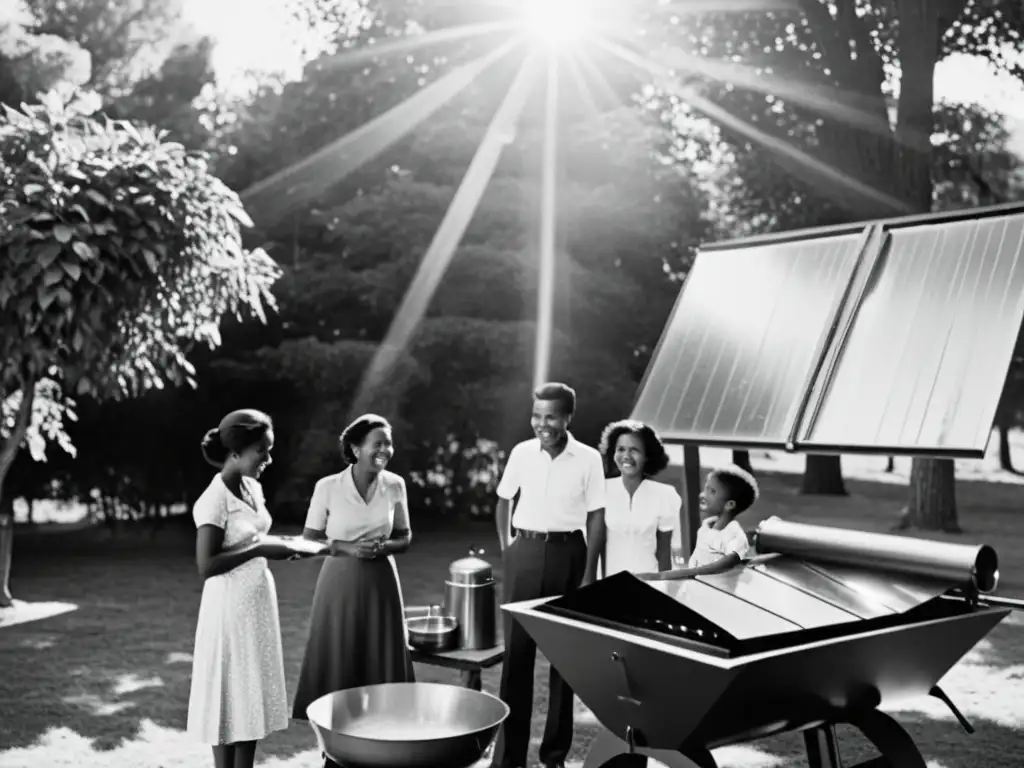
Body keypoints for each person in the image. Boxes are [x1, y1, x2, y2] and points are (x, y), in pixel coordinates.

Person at [492, 382, 606, 768]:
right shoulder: (522, 453)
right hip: (524, 553)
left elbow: (596, 516)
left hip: (569, 555)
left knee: (564, 661)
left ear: (568, 417)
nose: (543, 424)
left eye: (551, 416)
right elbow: (504, 499)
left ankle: (554, 756)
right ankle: (509, 758)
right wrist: (508, 549)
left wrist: (590, 574)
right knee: (517, 659)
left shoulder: (589, 458)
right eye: (537, 416)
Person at [187, 409, 295, 768]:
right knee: (230, 703)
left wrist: (285, 547)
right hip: (229, 611)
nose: (268, 458)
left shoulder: (252, 487)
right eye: (261, 451)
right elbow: (208, 565)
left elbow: (252, 538)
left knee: (249, 705)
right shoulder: (214, 500)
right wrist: (264, 549)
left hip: (256, 606)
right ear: (235, 453)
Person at [292, 413, 414, 721]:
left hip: (382, 582)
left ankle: (383, 731)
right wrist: (347, 548)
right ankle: (337, 739)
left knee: (380, 654)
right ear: (356, 448)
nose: (385, 450)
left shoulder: (395, 485)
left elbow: (404, 535)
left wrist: (384, 547)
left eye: (389, 443)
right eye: (378, 443)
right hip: (339, 582)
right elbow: (310, 539)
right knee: (339, 653)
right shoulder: (328, 487)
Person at [638, 464, 758, 581]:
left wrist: (679, 574)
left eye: (712, 491)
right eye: (706, 488)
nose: (702, 495)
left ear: (729, 505)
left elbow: (726, 564)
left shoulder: (735, 535)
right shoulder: (707, 525)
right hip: (694, 588)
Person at [597, 420, 678, 576]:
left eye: (634, 450)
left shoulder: (665, 495)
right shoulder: (600, 491)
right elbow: (594, 548)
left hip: (650, 585)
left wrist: (667, 587)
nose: (626, 456)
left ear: (647, 456)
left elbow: (664, 552)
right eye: (620, 449)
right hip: (609, 585)